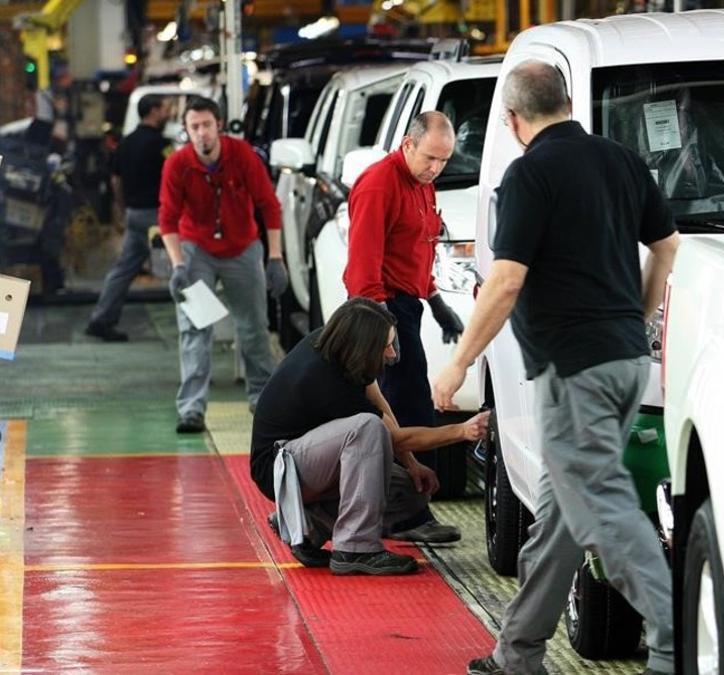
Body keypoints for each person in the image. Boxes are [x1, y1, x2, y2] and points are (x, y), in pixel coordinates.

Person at [432, 61, 681, 675]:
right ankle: (517, 652)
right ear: (566, 102)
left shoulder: (529, 174)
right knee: (562, 513)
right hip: (624, 361)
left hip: (576, 371)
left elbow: (506, 281)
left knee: (601, 507)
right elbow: (668, 246)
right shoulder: (621, 159)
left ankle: (678, 640)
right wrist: (631, 317)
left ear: (513, 121)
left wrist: (458, 363)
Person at [251, 298, 487, 574]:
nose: (389, 353)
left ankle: (304, 524)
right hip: (280, 468)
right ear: (364, 346)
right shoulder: (322, 379)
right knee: (367, 429)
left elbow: (379, 403)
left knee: (409, 493)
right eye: (384, 346)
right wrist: (461, 431)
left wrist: (411, 464)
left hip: (304, 458)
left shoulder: (338, 346)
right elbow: (391, 437)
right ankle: (355, 549)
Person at [159, 97, 288, 433]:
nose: (201, 133)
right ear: (187, 131)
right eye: (194, 127)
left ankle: (263, 398)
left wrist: (275, 257)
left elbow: (269, 206)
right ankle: (191, 409)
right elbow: (168, 220)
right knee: (195, 328)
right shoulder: (178, 165)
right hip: (195, 249)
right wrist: (177, 266)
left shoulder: (241, 155)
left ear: (218, 125)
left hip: (242, 247)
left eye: (206, 125)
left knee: (253, 326)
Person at [344, 111, 465, 436]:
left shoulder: (423, 183)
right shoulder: (379, 185)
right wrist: (382, 329)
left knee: (408, 401)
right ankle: (406, 482)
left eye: (444, 160)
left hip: (407, 306)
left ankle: (411, 479)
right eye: (430, 158)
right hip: (382, 309)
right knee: (404, 406)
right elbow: (362, 265)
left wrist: (437, 301)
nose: (436, 168)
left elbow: (417, 250)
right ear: (408, 144)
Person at [85, 95, 172, 342]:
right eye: (165, 109)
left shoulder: (125, 142)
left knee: (124, 269)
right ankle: (200, 323)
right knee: (181, 266)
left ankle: (100, 319)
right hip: (157, 215)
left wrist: (122, 211)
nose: (167, 114)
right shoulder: (162, 144)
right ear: (154, 112)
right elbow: (176, 178)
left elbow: (116, 181)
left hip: (134, 213)